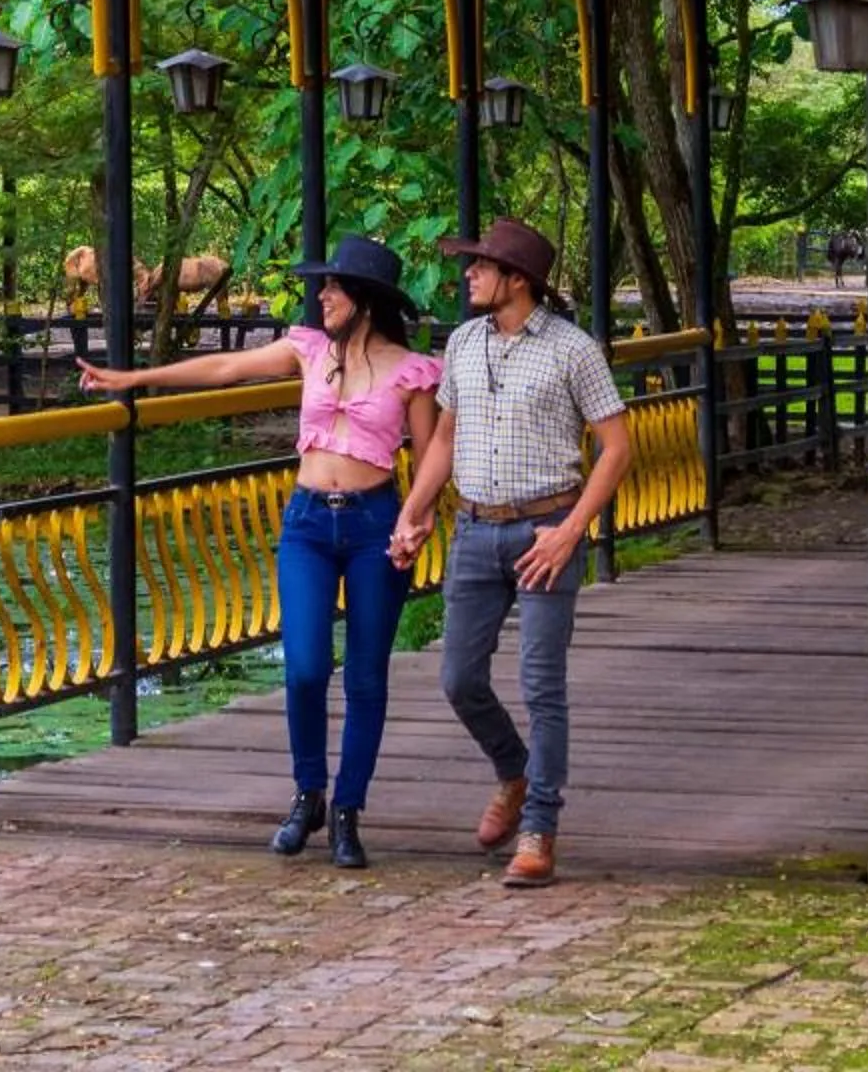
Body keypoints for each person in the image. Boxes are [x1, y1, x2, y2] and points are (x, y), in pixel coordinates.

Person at [76, 234, 439, 869]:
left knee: (366, 676)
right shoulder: (307, 349)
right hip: (306, 523)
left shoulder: (410, 370)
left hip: (374, 521)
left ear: (366, 299)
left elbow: (433, 455)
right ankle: (308, 796)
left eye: (334, 286)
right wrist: (133, 377)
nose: (321, 294)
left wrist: (417, 516)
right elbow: (223, 369)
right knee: (303, 667)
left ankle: (349, 812)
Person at [389, 216, 630, 889]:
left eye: (480, 266)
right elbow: (442, 439)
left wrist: (571, 530)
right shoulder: (463, 342)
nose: (468, 275)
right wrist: (416, 513)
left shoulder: (572, 350)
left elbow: (617, 447)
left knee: (540, 684)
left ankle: (539, 829)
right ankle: (514, 772)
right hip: (473, 528)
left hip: (545, 527)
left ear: (516, 280)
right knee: (458, 679)